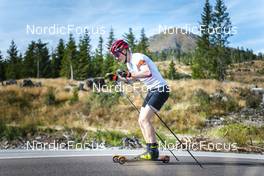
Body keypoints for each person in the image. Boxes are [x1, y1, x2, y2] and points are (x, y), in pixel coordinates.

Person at [110, 39, 170, 160]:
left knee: (144, 119)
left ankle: (153, 151)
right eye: (114, 56)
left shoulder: (137, 58)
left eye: (117, 54)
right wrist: (119, 78)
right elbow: (133, 79)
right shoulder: (129, 64)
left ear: (125, 50)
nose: (116, 58)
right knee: (141, 120)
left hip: (160, 90)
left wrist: (129, 75)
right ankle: (150, 150)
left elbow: (147, 72)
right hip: (152, 90)